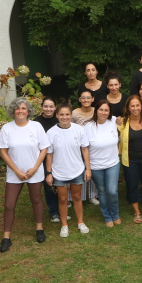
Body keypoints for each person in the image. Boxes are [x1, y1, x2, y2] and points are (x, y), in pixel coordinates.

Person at [0, 98, 50, 252]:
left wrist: (34, 169)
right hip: (15, 173)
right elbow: (3, 152)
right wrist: (17, 171)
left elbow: (44, 148)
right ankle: (6, 237)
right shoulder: (7, 128)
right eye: (17, 108)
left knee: (36, 199)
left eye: (23, 108)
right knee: (9, 205)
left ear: (28, 111)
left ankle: (39, 228)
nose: (20, 111)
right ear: (13, 111)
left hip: (34, 171)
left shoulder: (36, 126)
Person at [46, 101, 91, 237]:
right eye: (61, 114)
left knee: (77, 197)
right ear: (57, 115)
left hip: (77, 170)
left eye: (67, 114)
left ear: (71, 115)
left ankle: (80, 222)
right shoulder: (51, 132)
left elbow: (85, 150)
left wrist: (88, 169)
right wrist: (49, 173)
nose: (64, 117)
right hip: (59, 172)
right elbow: (49, 154)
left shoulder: (79, 129)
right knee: (62, 199)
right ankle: (64, 225)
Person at [118, 95, 142, 224]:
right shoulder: (122, 122)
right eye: (132, 106)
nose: (135, 108)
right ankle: (137, 211)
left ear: (141, 106)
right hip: (130, 159)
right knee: (131, 184)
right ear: (128, 108)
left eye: (137, 105)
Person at [85, 100, 121, 227]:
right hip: (96, 166)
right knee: (102, 191)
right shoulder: (88, 126)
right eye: (101, 109)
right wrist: (88, 168)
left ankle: (115, 214)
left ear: (110, 112)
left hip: (113, 163)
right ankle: (107, 217)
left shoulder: (114, 121)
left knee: (112, 191)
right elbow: (84, 148)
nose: (103, 112)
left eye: (106, 110)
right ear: (96, 110)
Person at [33, 97, 61, 223]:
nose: (48, 109)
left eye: (51, 106)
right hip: (44, 158)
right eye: (46, 106)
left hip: (59, 156)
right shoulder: (36, 123)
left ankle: (62, 208)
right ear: (42, 107)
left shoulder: (59, 120)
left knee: (60, 184)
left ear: (55, 107)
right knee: (49, 185)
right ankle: (54, 211)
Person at [71, 89, 100, 205]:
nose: (86, 100)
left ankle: (93, 195)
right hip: (79, 146)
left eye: (88, 98)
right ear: (79, 100)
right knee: (80, 169)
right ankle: (80, 196)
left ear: (93, 99)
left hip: (94, 145)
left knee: (92, 168)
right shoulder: (74, 113)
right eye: (83, 98)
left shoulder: (96, 111)